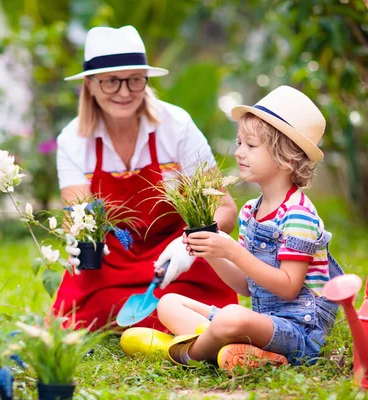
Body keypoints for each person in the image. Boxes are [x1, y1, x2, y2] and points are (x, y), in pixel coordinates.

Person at [52, 25, 239, 331]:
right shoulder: (73, 139)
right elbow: (76, 216)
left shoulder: (177, 126)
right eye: (112, 82)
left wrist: (189, 245)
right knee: (77, 320)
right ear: (89, 85)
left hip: (175, 257)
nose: (125, 93)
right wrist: (77, 240)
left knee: (185, 302)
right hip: (113, 263)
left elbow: (225, 208)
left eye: (135, 80)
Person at [150, 86, 344, 372]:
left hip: (298, 332)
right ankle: (241, 352)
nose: (239, 152)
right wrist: (212, 250)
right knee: (168, 302)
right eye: (239, 143)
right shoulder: (250, 211)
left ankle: (189, 354)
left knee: (232, 317)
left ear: (286, 157)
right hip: (263, 324)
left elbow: (289, 287)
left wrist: (232, 251)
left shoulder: (300, 214)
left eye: (251, 146)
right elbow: (245, 285)